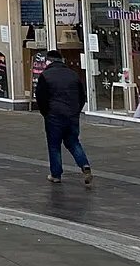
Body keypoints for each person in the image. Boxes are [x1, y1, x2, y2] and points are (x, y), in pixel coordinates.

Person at [34, 50, 95, 185]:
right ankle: (84, 165)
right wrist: (76, 111)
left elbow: (40, 98)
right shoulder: (73, 74)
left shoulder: (45, 76)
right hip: (72, 115)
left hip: (54, 115)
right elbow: (82, 96)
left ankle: (56, 175)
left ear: (48, 62)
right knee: (73, 142)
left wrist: (46, 113)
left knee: (54, 145)